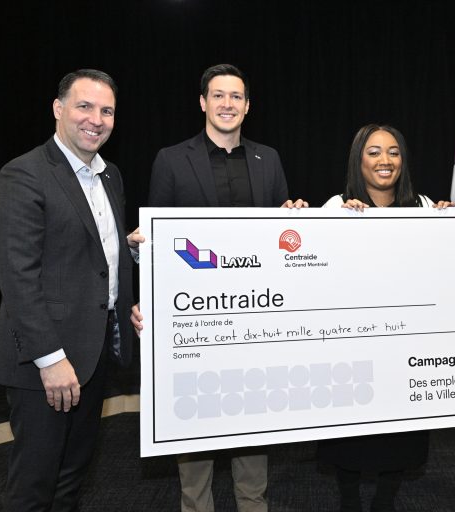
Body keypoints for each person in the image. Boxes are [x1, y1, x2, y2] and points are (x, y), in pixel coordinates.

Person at [133, 63, 305, 512]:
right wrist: (147, 299)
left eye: (236, 97)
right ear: (203, 102)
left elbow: (279, 242)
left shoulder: (269, 159)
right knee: (194, 432)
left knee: (253, 428)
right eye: (219, 95)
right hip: (195, 319)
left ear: (248, 106)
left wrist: (294, 214)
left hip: (255, 317)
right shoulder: (171, 159)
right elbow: (155, 242)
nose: (227, 104)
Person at [0, 69, 141, 511]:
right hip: (45, 366)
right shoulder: (24, 175)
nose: (96, 119)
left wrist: (128, 279)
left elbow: (94, 257)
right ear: (58, 110)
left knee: (71, 482)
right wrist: (51, 360)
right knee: (33, 489)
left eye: (107, 110)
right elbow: (18, 277)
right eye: (85, 106)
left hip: (92, 356)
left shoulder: (109, 174)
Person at [319, 124, 446, 512]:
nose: (385, 160)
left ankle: (387, 499)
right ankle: (349, 498)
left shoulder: (424, 207)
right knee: (350, 431)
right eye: (374, 152)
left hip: (404, 348)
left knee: (399, 432)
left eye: (393, 152)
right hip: (352, 347)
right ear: (359, 159)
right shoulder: (335, 207)